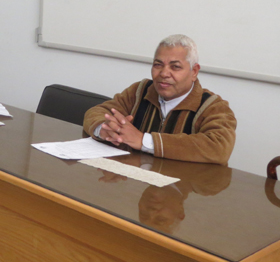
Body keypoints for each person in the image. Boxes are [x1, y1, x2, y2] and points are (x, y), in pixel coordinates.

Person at [84, 34, 236, 165]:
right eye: (158, 65)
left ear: (194, 72)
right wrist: (105, 130)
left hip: (184, 186)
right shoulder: (140, 91)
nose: (164, 73)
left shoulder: (213, 106)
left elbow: (219, 148)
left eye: (175, 67)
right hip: (135, 180)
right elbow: (97, 112)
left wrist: (143, 141)